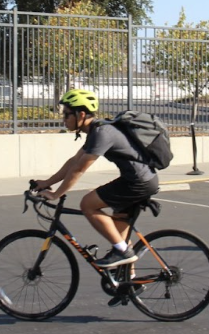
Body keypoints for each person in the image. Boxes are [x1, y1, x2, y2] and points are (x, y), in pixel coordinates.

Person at [32, 89, 160, 269]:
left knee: (87, 204)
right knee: (118, 235)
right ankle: (127, 283)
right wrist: (47, 183)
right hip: (139, 181)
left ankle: (123, 252)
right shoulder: (96, 131)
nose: (64, 119)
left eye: (67, 114)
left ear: (81, 114)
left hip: (138, 182)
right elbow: (74, 161)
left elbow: (79, 169)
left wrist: (56, 194)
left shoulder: (102, 133)